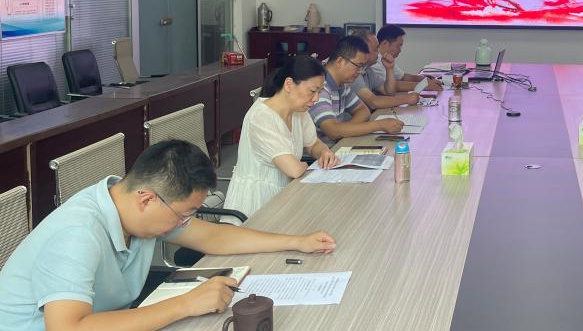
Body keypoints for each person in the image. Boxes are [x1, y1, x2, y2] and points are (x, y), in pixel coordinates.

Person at [0, 140, 336, 331]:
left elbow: (214, 238)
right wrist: (186, 304)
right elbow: (68, 328)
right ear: (147, 199)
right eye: (184, 214)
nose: (185, 223)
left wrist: (296, 241)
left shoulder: (136, 210)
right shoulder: (77, 233)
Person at [223, 54, 340, 217]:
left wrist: (324, 153)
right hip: (256, 206)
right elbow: (294, 170)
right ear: (289, 84)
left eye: (319, 92)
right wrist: (305, 165)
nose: (316, 98)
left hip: (287, 195)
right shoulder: (261, 117)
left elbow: (313, 144)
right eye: (313, 91)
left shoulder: (298, 110)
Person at [311, 35, 405, 142]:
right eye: (358, 66)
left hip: (339, 145)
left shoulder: (342, 84)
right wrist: (379, 125)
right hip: (326, 151)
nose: (360, 71)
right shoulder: (319, 87)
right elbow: (333, 131)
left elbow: (363, 110)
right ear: (340, 61)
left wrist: (344, 131)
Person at [350, 29, 421, 111]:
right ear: (361, 51)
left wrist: (389, 68)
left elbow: (390, 92)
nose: (378, 53)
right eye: (375, 49)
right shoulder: (353, 73)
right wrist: (406, 99)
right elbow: (373, 102)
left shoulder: (368, 70)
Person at [376, 24, 443, 92]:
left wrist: (427, 80)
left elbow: (403, 77)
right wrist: (424, 85)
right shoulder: (375, 62)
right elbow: (391, 86)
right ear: (385, 43)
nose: (400, 50)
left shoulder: (386, 59)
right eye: (398, 46)